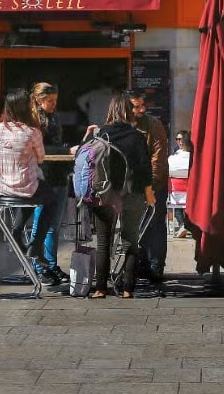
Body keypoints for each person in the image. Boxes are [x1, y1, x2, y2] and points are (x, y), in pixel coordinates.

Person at [90, 94, 154, 299]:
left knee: (102, 242)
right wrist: (149, 192)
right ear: (128, 111)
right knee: (130, 241)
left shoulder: (100, 135)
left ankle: (100, 288)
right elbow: (145, 169)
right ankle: (127, 289)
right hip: (132, 193)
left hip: (105, 194)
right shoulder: (136, 137)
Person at [0, 88, 55, 268]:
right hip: (25, 186)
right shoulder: (32, 132)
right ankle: (36, 244)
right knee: (50, 200)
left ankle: (17, 232)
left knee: (29, 194)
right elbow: (41, 158)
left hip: (1, 188)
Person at [28, 83, 73, 286]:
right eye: (50, 101)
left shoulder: (53, 118)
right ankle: (40, 267)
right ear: (39, 100)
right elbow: (41, 149)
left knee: (54, 226)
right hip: (44, 176)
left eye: (56, 100)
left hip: (59, 173)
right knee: (41, 223)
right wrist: (66, 151)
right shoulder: (33, 120)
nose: (54, 105)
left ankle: (51, 265)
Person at [127, 90, 169, 283]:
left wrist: (149, 185)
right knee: (136, 224)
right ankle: (141, 263)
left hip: (154, 183)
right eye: (137, 106)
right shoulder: (123, 125)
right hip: (132, 185)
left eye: (143, 105)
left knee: (155, 224)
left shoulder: (154, 125)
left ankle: (156, 265)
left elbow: (158, 158)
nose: (141, 109)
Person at [168, 130, 192, 238]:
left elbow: (168, 172)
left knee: (173, 202)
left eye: (181, 139)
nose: (179, 141)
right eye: (177, 139)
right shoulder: (193, 158)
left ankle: (182, 224)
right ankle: (185, 225)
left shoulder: (172, 158)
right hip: (190, 193)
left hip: (175, 194)